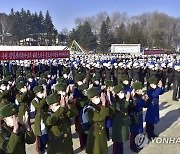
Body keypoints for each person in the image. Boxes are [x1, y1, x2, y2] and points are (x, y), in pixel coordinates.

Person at [85, 87, 114, 154]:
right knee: (97, 150)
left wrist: (108, 101)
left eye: (98, 96)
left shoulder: (99, 106)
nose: (98, 98)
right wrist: (103, 104)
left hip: (102, 132)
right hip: (95, 132)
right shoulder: (89, 109)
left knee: (103, 149)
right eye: (96, 97)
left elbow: (111, 113)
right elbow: (100, 117)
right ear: (91, 98)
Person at [112, 85, 132, 154]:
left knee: (121, 141)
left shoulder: (123, 100)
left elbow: (131, 106)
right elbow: (121, 109)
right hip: (118, 124)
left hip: (124, 123)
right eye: (120, 92)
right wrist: (127, 100)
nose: (122, 93)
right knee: (117, 141)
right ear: (116, 94)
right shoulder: (115, 102)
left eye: (122, 92)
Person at [129, 82, 148, 152]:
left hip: (139, 116)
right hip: (134, 117)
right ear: (136, 91)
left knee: (139, 131)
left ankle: (138, 144)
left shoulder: (140, 96)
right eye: (140, 89)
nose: (141, 91)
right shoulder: (134, 97)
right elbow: (136, 106)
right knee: (134, 132)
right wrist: (143, 100)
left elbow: (144, 105)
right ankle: (132, 146)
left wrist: (145, 100)